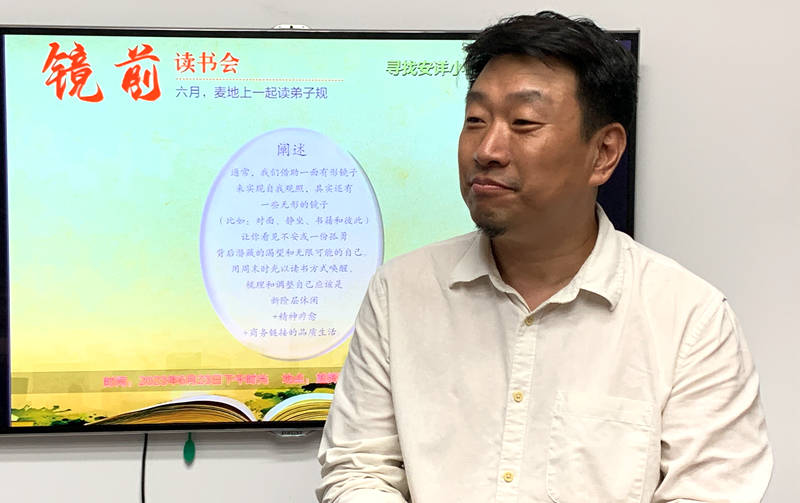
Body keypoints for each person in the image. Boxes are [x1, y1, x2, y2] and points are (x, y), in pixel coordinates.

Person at [317, 11, 772, 503]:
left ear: (604, 152)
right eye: (475, 121)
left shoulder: (689, 319)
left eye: (524, 123)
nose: (487, 150)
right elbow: (358, 470)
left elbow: (710, 492)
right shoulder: (400, 292)